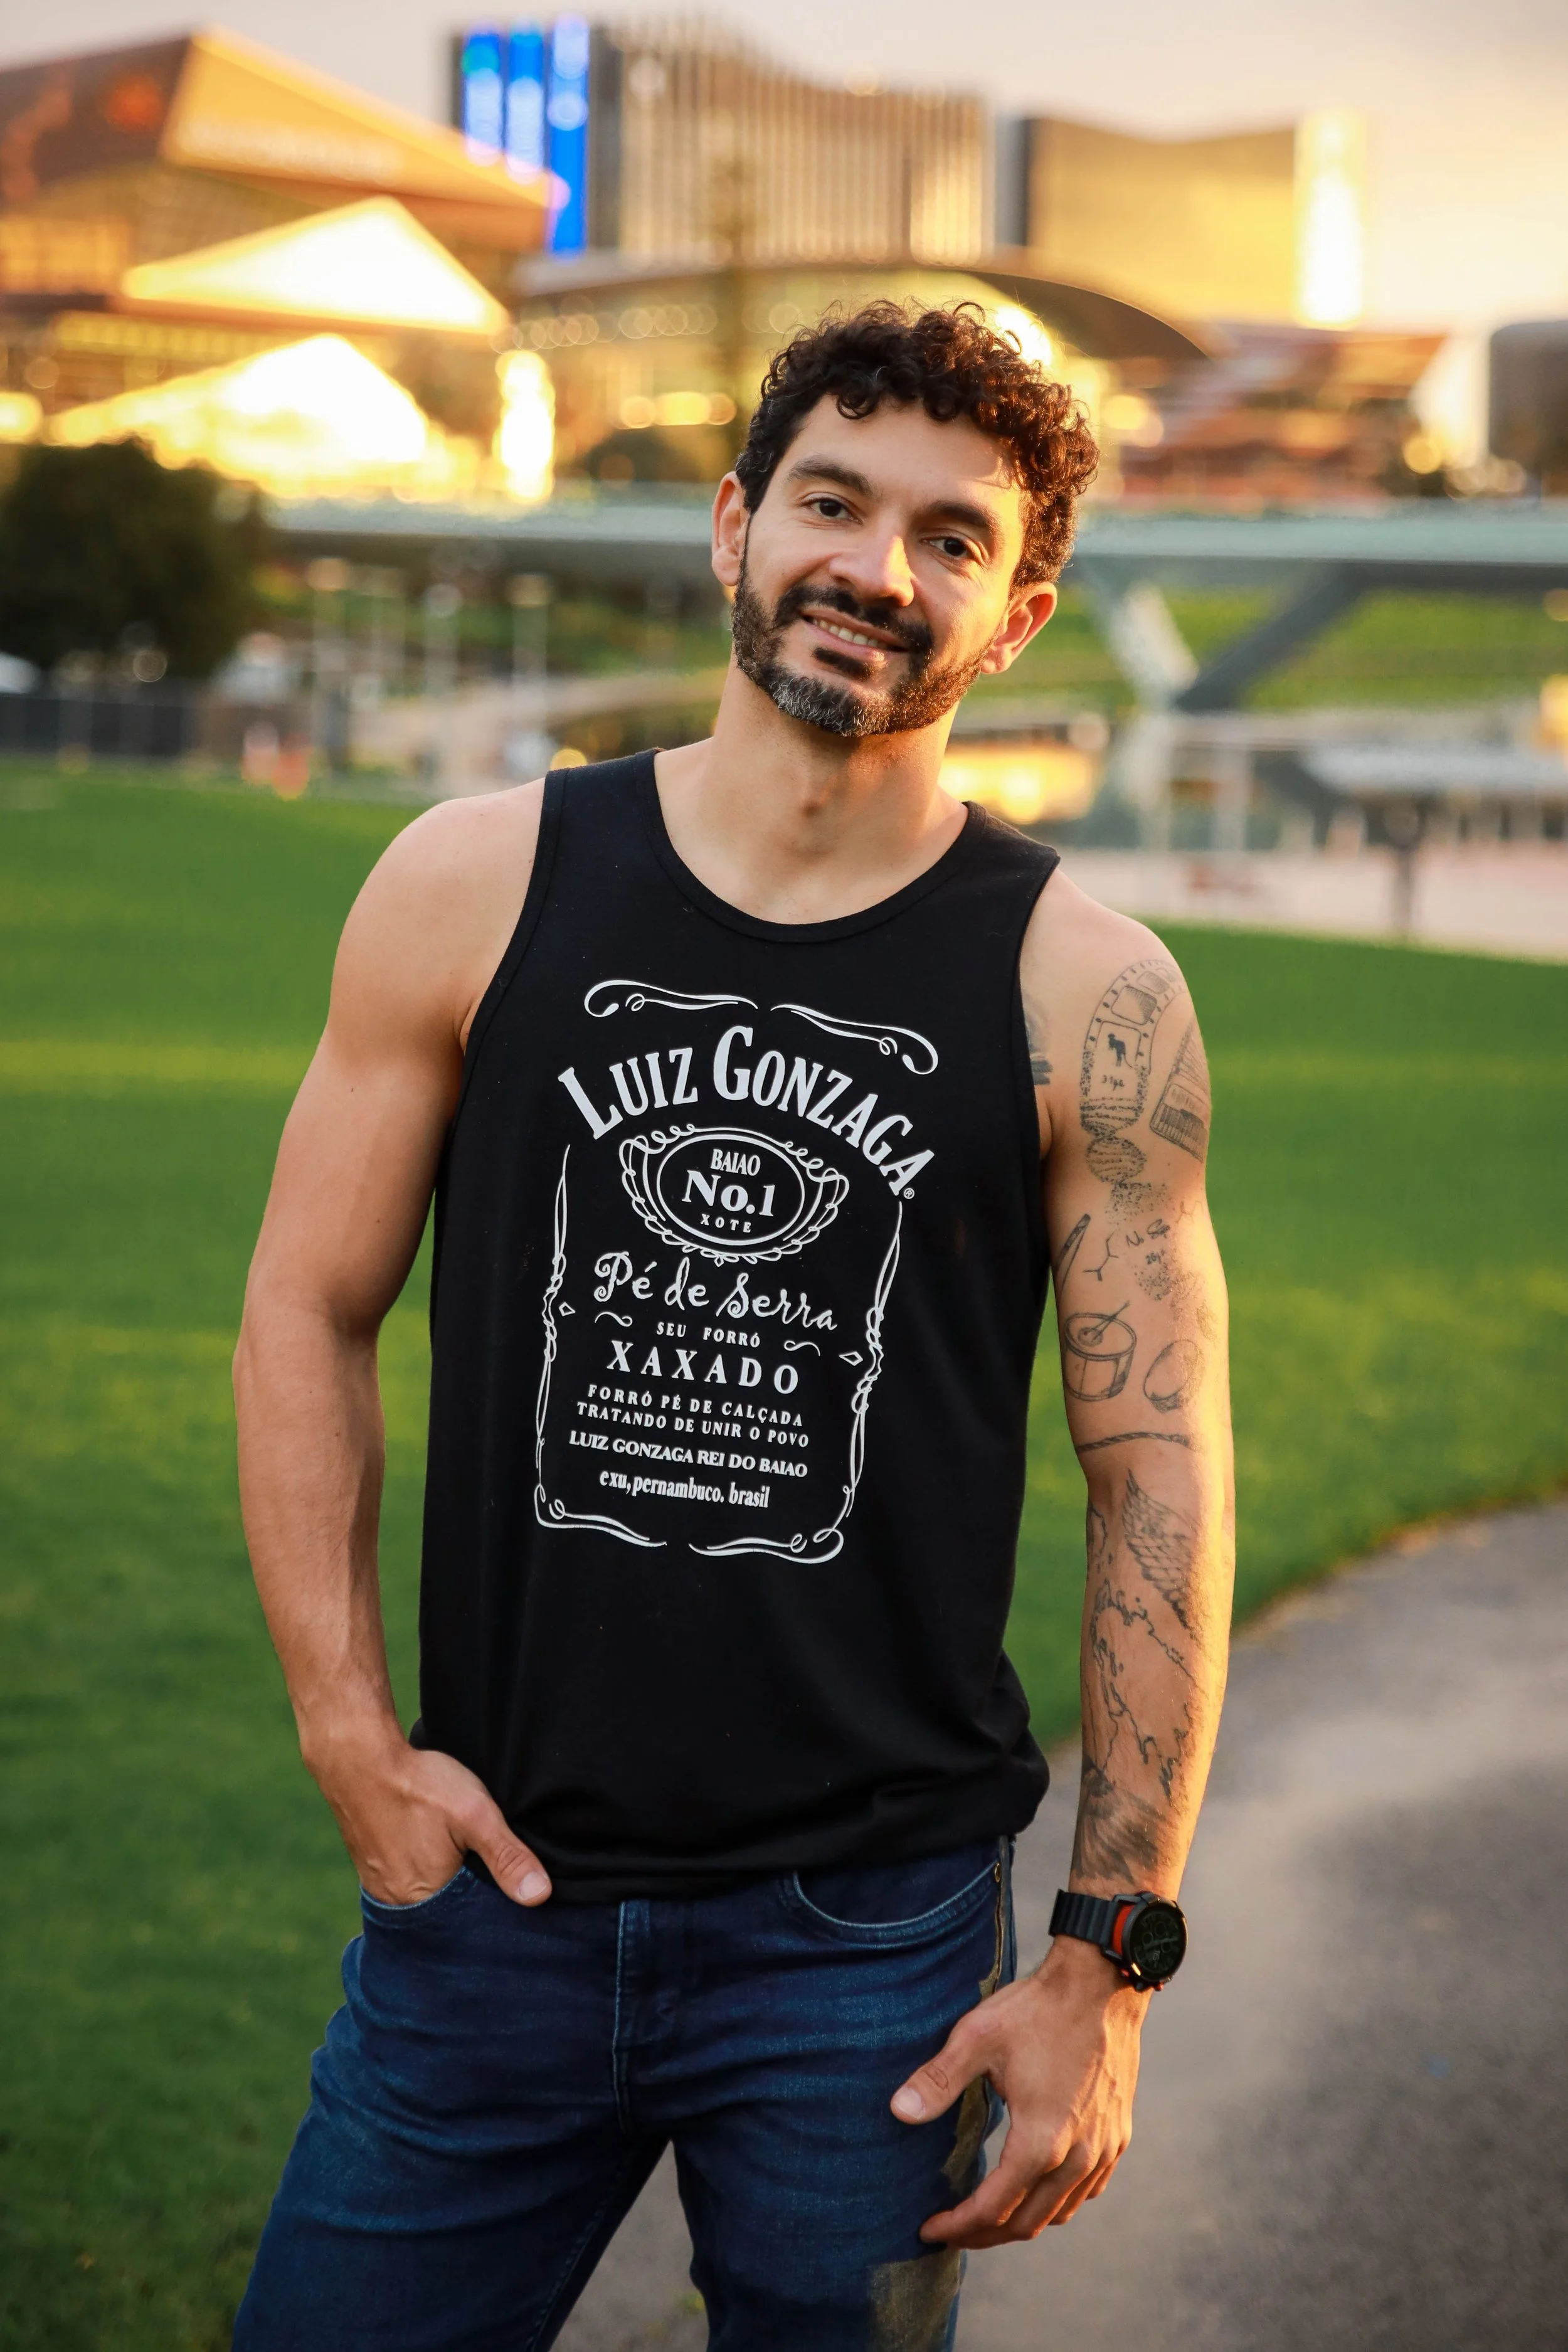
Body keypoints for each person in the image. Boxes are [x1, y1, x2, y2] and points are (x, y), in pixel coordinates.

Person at [232, 302, 1234, 2351]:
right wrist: (351, 1733)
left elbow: (1158, 1470)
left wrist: (1104, 1962)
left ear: (1018, 611)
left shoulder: (1086, 990)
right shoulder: (470, 882)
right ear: (730, 526)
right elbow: (304, 1308)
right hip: (490, 1893)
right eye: (832, 501)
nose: (877, 565)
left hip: (868, 1952)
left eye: (951, 538)